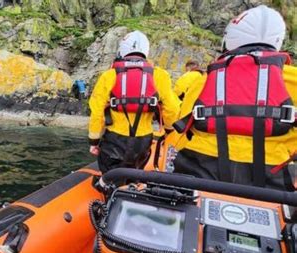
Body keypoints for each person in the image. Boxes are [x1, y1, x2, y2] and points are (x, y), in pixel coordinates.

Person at [173, 5, 297, 191]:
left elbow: (180, 132)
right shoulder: (293, 80)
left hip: (201, 170)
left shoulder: (204, 80)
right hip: (273, 179)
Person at [88, 31, 180, 174]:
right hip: (143, 139)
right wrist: (168, 129)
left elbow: (97, 110)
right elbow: (172, 108)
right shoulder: (160, 75)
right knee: (135, 173)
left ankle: (109, 191)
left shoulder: (109, 75)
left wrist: (94, 141)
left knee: (110, 174)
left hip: (115, 138)